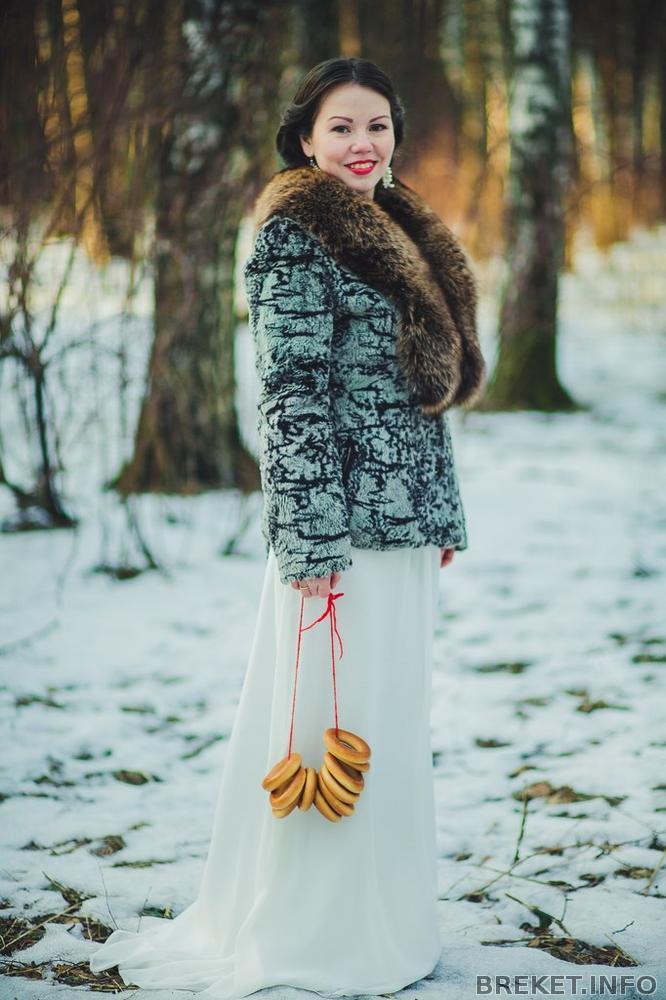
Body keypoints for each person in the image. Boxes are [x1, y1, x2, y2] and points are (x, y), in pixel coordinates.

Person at [88, 56, 485, 998]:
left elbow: (418, 400)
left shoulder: (403, 227)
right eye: (341, 126)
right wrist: (309, 539)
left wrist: (441, 513)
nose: (362, 144)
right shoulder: (295, 237)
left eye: (377, 125)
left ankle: (383, 920)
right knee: (327, 727)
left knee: (389, 721)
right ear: (305, 138)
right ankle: (314, 936)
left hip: (402, 526)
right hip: (335, 535)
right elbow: (291, 394)